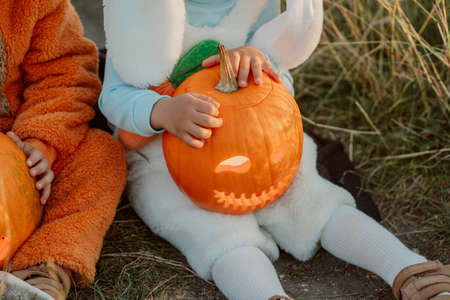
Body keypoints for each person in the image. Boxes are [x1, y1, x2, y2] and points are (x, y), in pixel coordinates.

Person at [99, 0, 450, 299]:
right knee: (218, 235)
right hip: (166, 160)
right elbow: (114, 98)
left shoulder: (255, 6)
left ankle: (409, 269)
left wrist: (263, 67)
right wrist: (163, 111)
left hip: (259, 147)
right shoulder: (141, 11)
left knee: (315, 202)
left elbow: (280, 81)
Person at [0, 0, 127, 299]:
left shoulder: (35, 5)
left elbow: (65, 76)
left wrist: (41, 143)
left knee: (100, 155)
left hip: (22, 146)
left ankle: (42, 268)